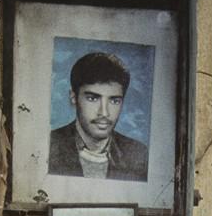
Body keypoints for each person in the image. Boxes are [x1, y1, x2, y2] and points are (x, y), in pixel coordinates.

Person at [48, 52, 149, 181]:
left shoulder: (138, 154)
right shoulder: (47, 146)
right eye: (92, 98)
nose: (104, 113)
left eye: (114, 101)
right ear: (73, 97)